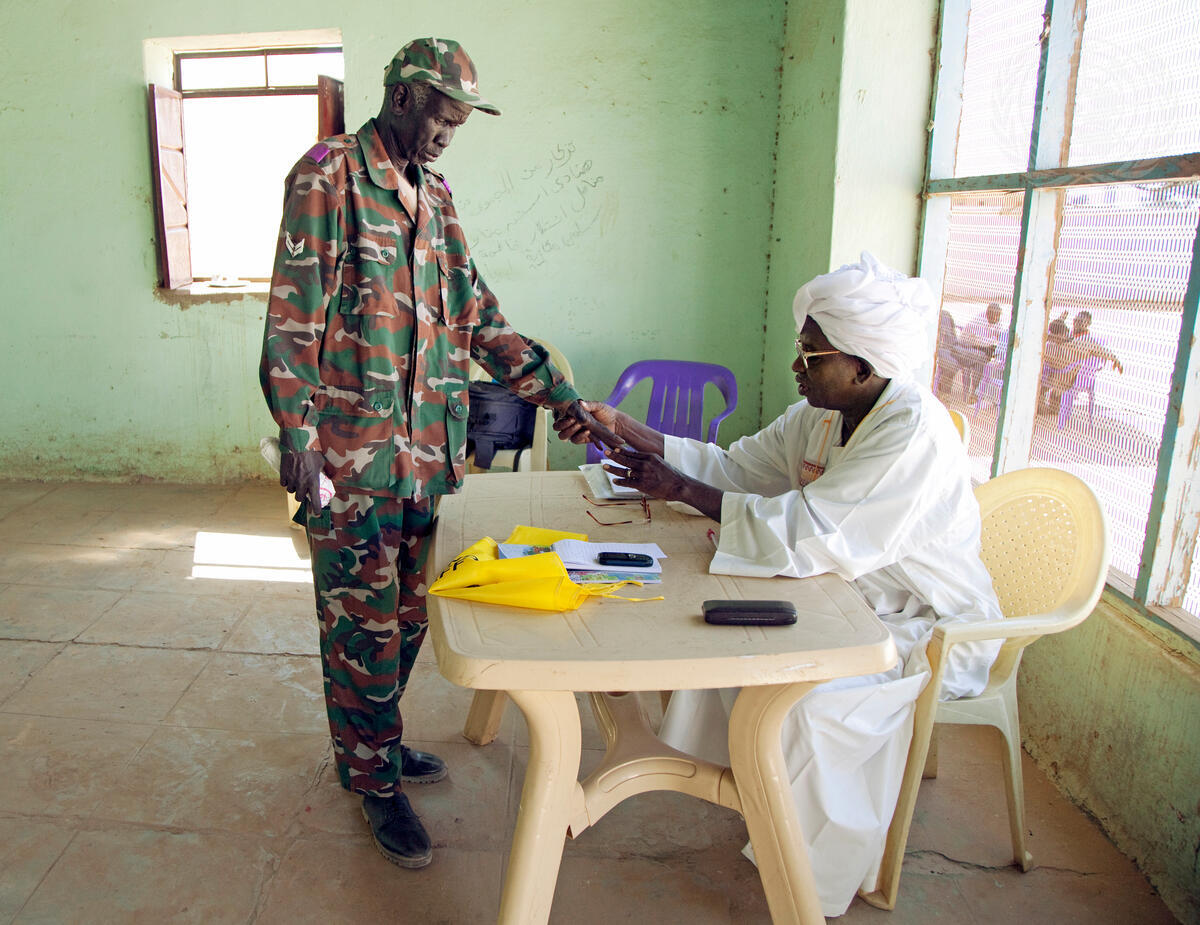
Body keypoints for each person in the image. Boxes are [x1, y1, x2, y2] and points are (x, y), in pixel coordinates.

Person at [556, 252, 1003, 916]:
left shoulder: (912, 434)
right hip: (844, 591)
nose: (796, 364)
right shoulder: (819, 415)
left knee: (807, 702)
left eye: (811, 354)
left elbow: (815, 531)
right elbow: (735, 468)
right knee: (729, 644)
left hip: (924, 623)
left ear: (863, 366)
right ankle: (756, 793)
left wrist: (680, 489)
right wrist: (626, 429)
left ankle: (809, 871)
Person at [260, 37, 616, 870]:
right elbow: (293, 316)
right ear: (402, 97)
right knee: (362, 625)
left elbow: (479, 319)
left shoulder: (437, 196)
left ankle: (374, 742)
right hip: (351, 461)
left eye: (461, 121)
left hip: (427, 456)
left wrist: (562, 396)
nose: (450, 132)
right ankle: (373, 777)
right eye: (442, 115)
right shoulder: (329, 175)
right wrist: (297, 433)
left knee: (412, 617)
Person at [951, 301, 1005, 400]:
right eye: (995, 317)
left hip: (978, 349)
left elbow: (1000, 336)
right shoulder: (980, 320)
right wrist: (993, 344)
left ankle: (974, 392)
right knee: (983, 358)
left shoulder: (995, 321)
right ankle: (973, 392)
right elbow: (981, 342)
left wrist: (996, 342)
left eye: (998, 317)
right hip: (964, 348)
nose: (997, 319)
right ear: (989, 314)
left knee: (982, 361)